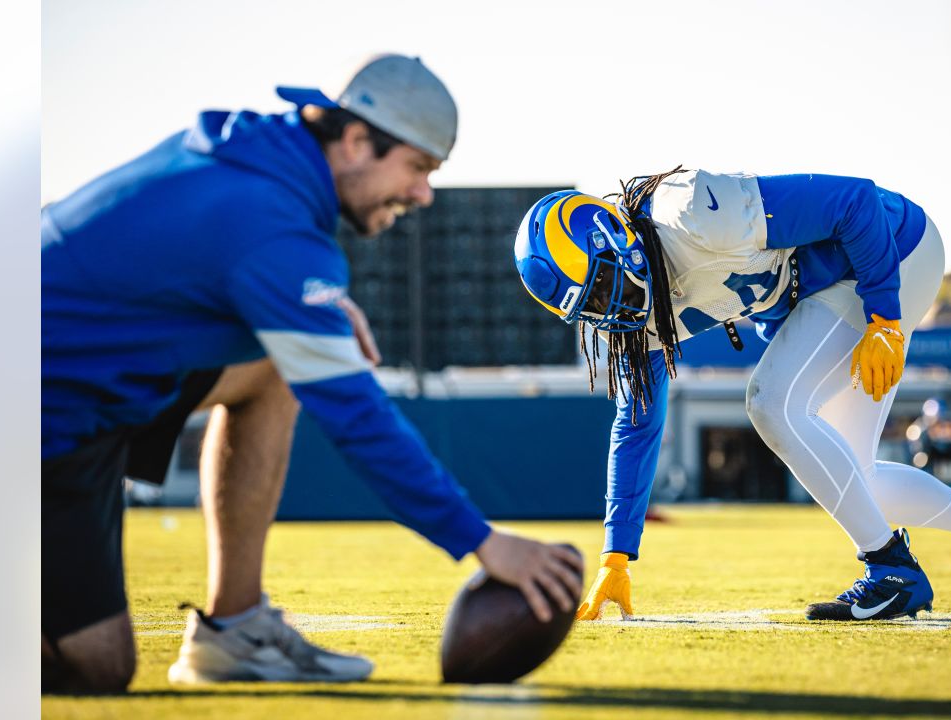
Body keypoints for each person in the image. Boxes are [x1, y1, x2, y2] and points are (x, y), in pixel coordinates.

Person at [42, 54, 583, 693]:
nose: (422, 194)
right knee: (96, 668)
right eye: (417, 168)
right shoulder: (269, 219)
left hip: (78, 384)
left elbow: (176, 286)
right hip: (23, 412)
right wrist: (481, 541)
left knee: (270, 364)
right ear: (356, 142)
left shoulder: (255, 165)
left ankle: (234, 628)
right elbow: (356, 416)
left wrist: (273, 321)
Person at [514, 168, 951, 622]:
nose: (614, 308)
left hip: (891, 249)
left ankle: (891, 569)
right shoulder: (637, 317)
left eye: (607, 285)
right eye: (593, 305)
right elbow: (636, 424)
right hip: (833, 292)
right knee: (856, 478)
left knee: (771, 401)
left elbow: (853, 202)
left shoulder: (693, 212)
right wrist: (616, 552)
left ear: (618, 239)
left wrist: (885, 320)